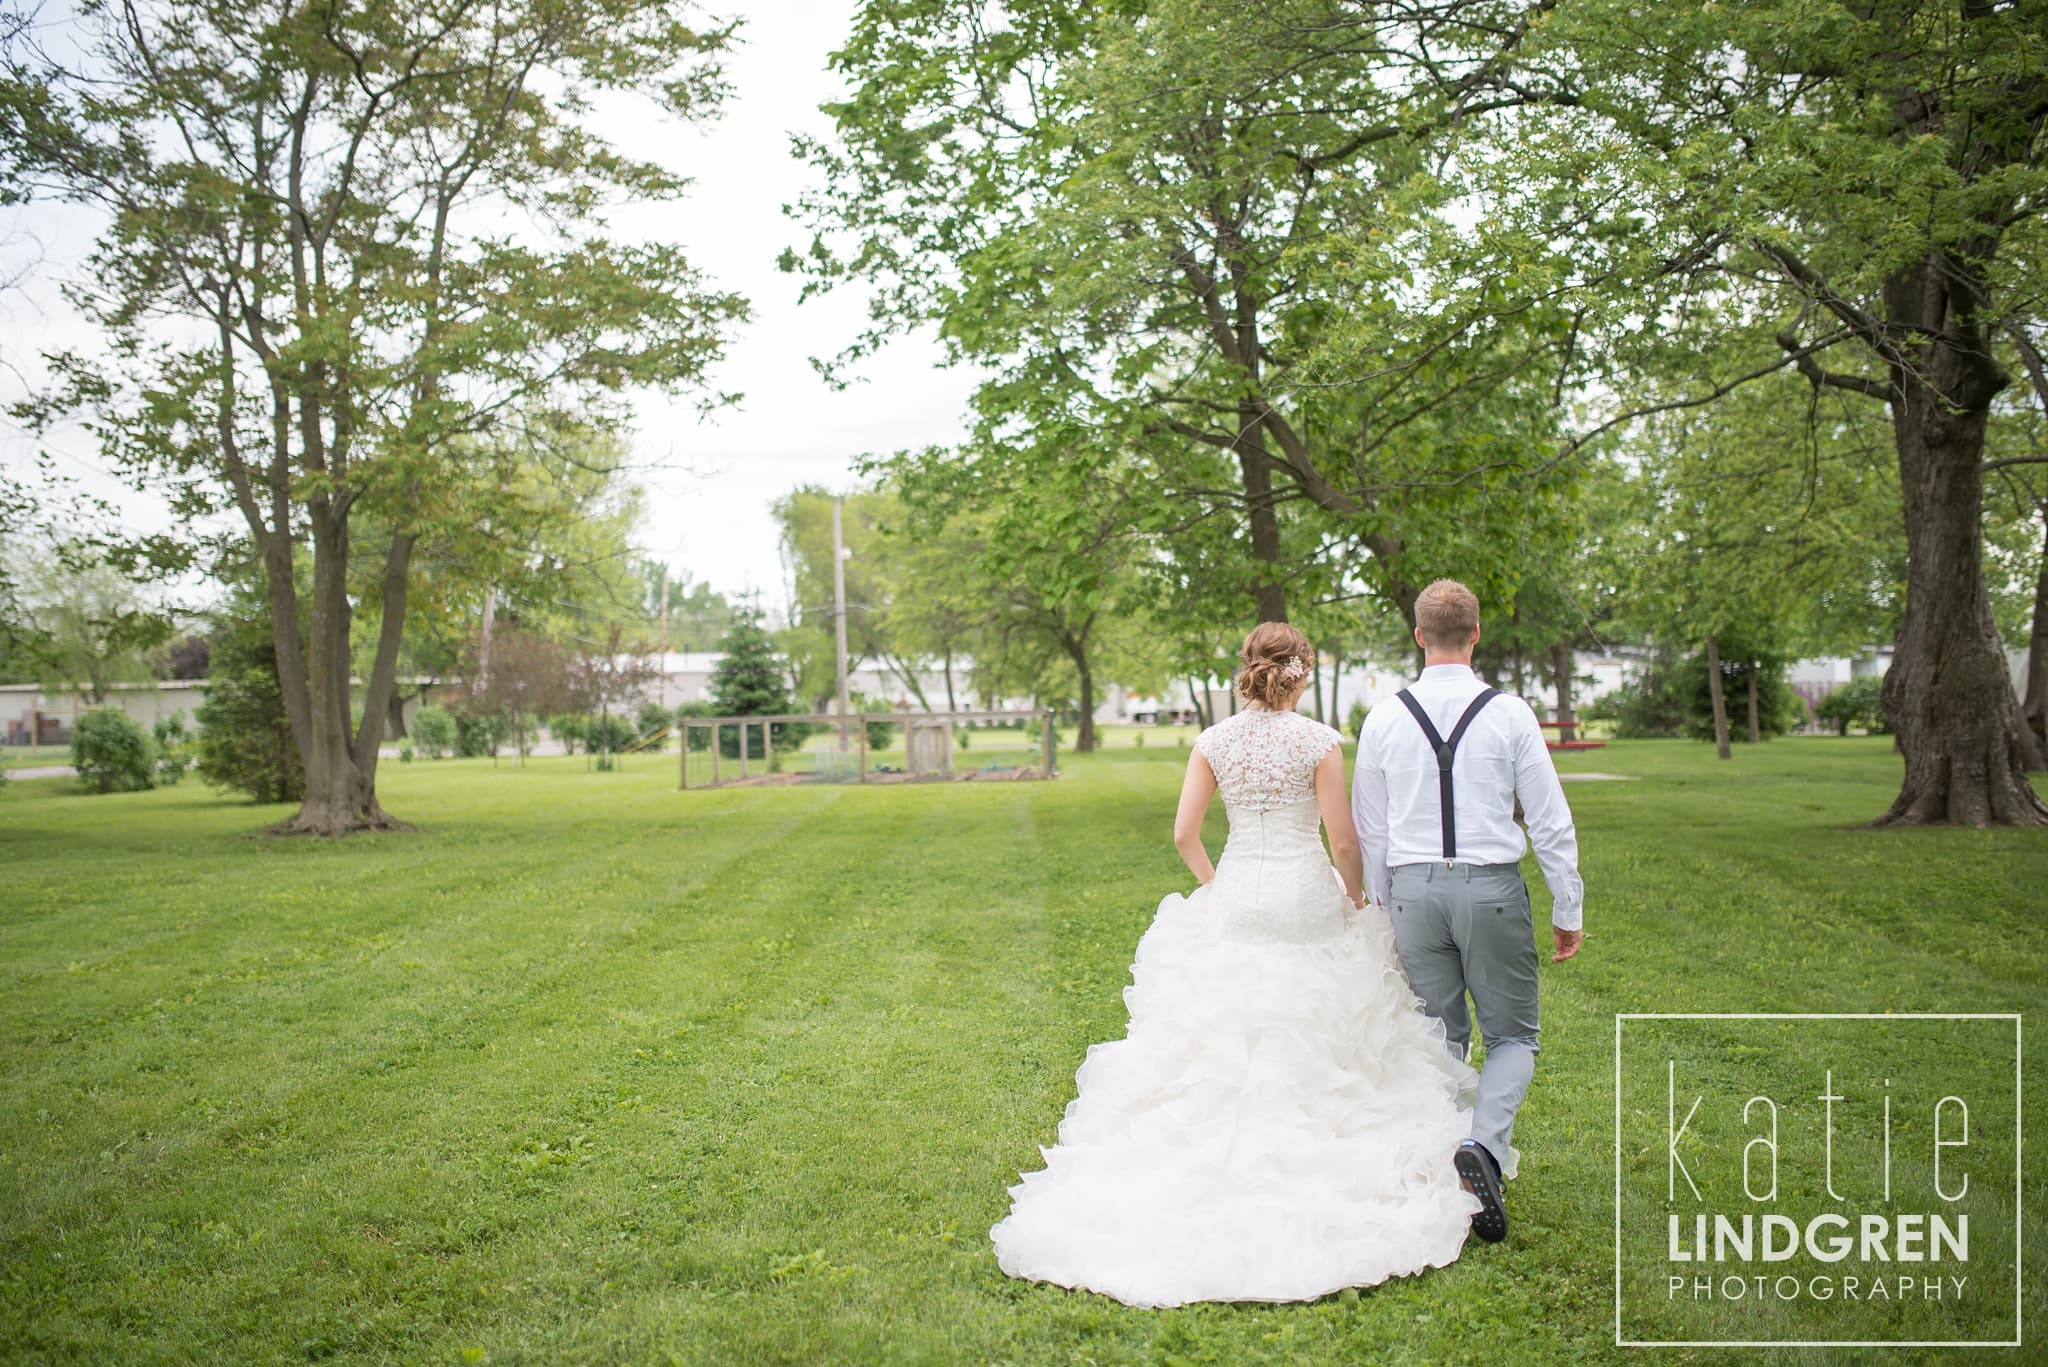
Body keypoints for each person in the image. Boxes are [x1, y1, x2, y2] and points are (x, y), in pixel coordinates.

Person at [991, 623, 1482, 1308]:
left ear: (1248, 668)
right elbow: (1342, 839)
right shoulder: (1318, 740)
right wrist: (1356, 897)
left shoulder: (1213, 741)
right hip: (1306, 894)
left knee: (1227, 1015)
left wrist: (1214, 881)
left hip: (1239, 895)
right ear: (1301, 673)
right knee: (1325, 1007)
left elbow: (1184, 832)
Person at [1351, 578, 1584, 1246]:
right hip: (1490, 887)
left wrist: (1383, 905)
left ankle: (1440, 1169)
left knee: (1439, 1035)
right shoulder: (1510, 714)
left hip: (1414, 890)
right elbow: (1549, 819)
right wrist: (1567, 905)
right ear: (1476, 633)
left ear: (1419, 636)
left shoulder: (1385, 717)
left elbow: (1373, 828)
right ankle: (1481, 1144)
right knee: (1513, 1034)